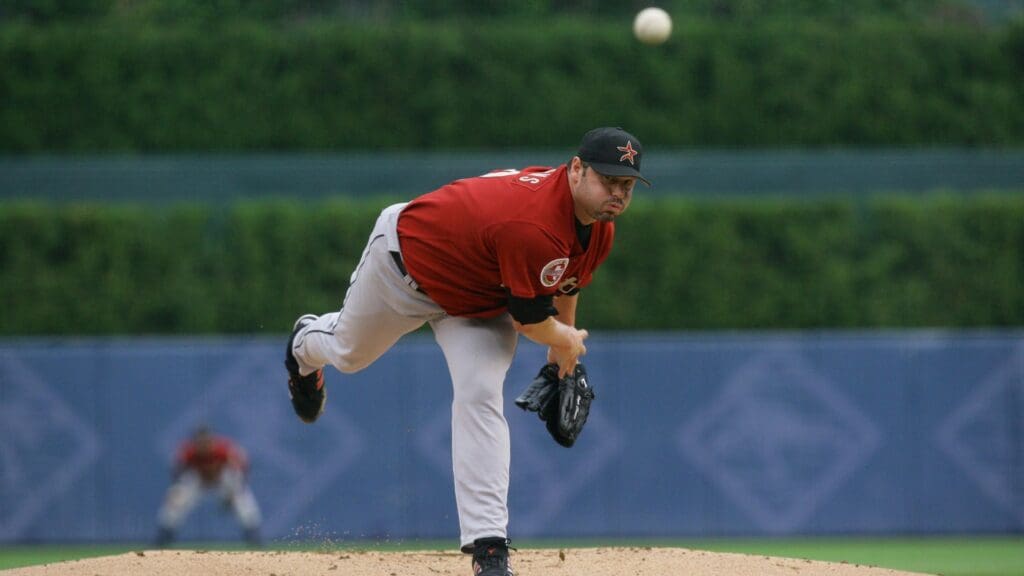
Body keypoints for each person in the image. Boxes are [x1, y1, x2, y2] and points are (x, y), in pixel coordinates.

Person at [284, 127, 648, 576]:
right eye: (607, 180)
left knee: (480, 394)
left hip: (479, 301)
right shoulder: (533, 223)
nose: (616, 193)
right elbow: (531, 321)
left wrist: (562, 358)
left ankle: (489, 547)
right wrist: (566, 341)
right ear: (575, 169)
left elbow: (564, 285)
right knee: (349, 353)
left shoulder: (598, 228)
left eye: (625, 185)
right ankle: (304, 344)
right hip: (405, 269)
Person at [155, 425, 262, 547]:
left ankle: (253, 535)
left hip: (221, 480)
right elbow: (177, 470)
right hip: (199, 481)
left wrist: (235, 489)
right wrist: (176, 488)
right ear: (195, 442)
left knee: (240, 495)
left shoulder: (223, 450)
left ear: (212, 440)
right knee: (177, 498)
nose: (204, 445)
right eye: (200, 442)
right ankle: (164, 535)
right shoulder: (189, 453)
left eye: (206, 441)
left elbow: (242, 464)